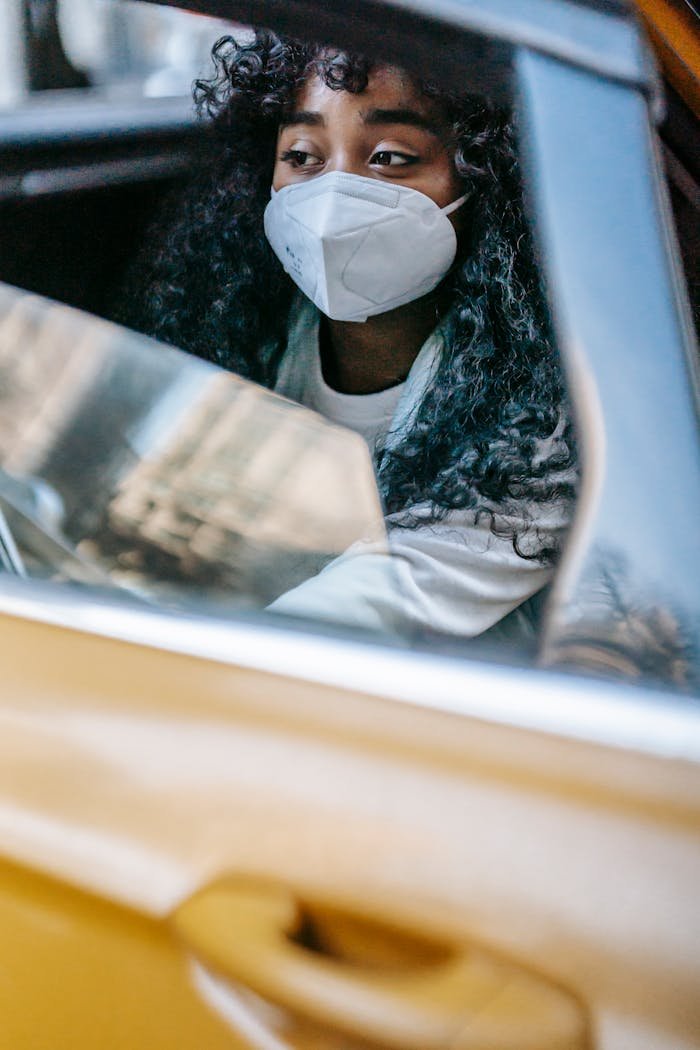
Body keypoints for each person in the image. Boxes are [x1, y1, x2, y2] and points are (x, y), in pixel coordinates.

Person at [120, 30, 577, 641]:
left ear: (485, 182)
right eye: (303, 156)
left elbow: (374, 606)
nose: (333, 197)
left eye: (388, 156)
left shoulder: (537, 420)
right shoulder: (244, 334)